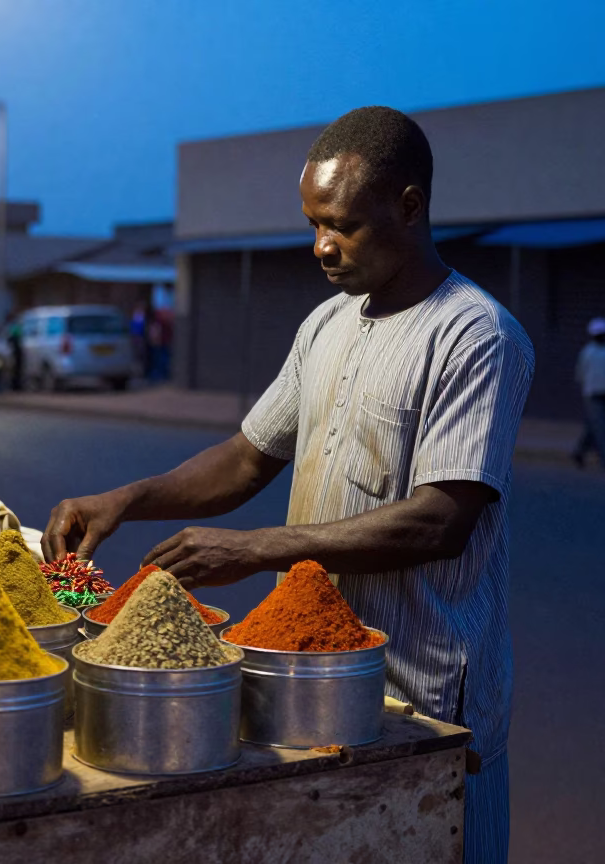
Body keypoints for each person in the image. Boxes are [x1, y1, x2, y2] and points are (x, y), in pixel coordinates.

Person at [43, 107, 534, 862]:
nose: (321, 247)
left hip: (424, 697)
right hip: (309, 681)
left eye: (340, 225)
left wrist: (259, 549)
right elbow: (246, 458)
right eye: (312, 224)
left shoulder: (475, 336)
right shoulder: (326, 325)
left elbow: (441, 520)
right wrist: (127, 500)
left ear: (409, 206)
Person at [572, 317, 605, 471]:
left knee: (595, 425)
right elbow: (581, 374)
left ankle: (579, 451)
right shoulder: (588, 352)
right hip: (592, 395)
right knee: (602, 428)